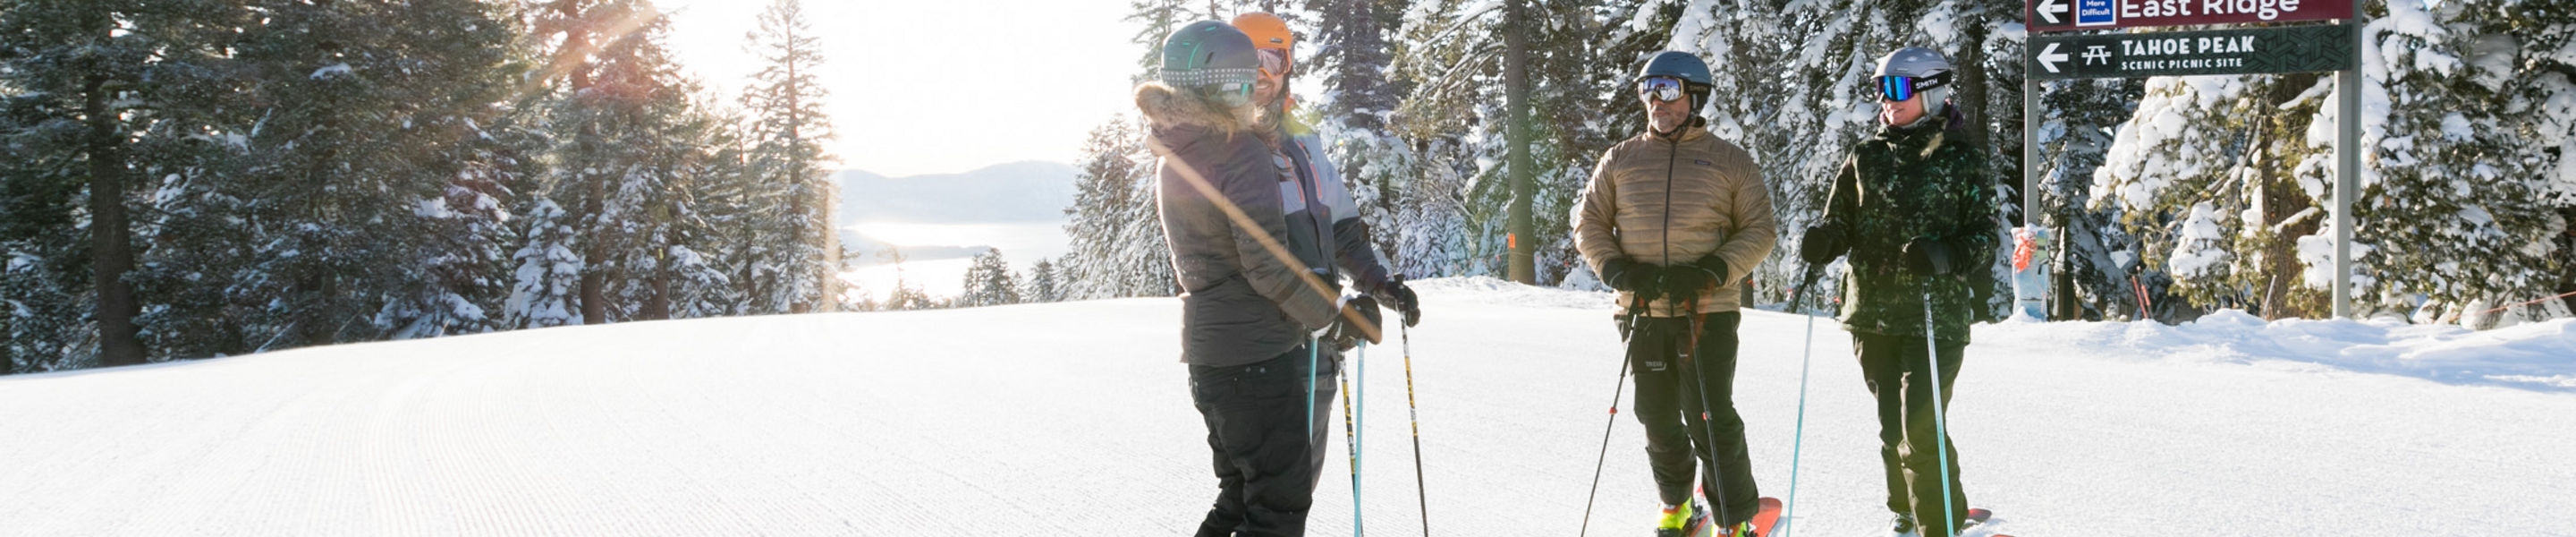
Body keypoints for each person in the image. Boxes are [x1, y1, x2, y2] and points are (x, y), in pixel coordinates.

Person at [1138, 21, 1384, 537]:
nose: (1253, 89)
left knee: (1237, 501)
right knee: (1278, 508)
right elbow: (1266, 263)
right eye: (1245, 79)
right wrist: (1334, 322)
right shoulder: (1236, 147)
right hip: (1255, 358)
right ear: (1222, 83)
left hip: (1212, 358)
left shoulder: (1179, 147)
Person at [1572, 50, 1777, 537]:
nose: (1655, 101)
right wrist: (1617, 268)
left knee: (1710, 416)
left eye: (1666, 90)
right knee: (1656, 417)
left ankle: (1736, 521)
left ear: (1694, 96)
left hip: (1707, 308)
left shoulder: (1730, 160)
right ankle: (1679, 506)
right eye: (1647, 90)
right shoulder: (1620, 158)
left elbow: (1760, 229)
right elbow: (1588, 224)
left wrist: (1712, 269)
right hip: (1642, 310)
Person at [1798, 46, 1998, 537]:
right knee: (1894, 426)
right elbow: (1841, 219)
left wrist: (1943, 254)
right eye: (1881, 89)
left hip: (1935, 314)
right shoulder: (1866, 156)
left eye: (1898, 89)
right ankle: (1908, 507)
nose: (1887, 100)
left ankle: (1940, 524)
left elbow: (1985, 238)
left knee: (1920, 428)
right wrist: (1825, 239)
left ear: (1930, 92)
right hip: (1872, 310)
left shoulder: (1960, 158)